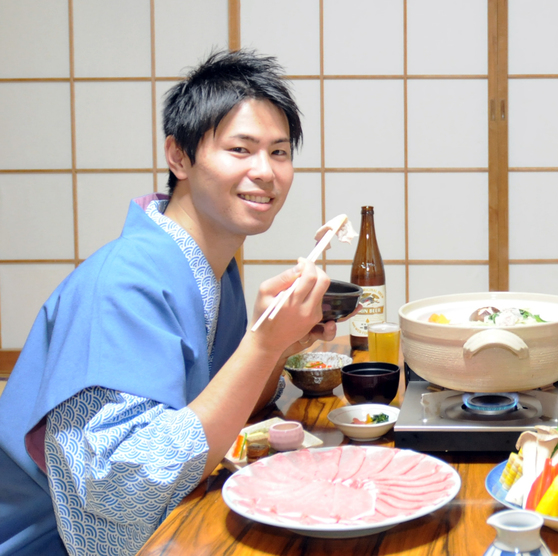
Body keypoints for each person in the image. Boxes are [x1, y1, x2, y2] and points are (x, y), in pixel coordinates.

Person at [0, 50, 337, 556]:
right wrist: (264, 345)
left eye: (280, 152)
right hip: (46, 541)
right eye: (240, 149)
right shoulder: (121, 283)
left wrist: (278, 342)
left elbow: (226, 408)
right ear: (178, 156)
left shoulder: (212, 269)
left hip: (179, 513)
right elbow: (122, 488)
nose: (265, 172)